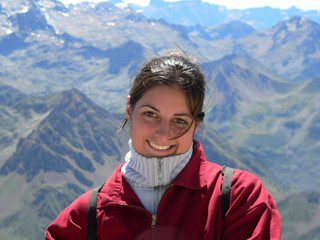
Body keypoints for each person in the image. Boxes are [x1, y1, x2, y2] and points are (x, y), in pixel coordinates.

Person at [45, 53, 281, 240]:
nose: (163, 134)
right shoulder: (83, 218)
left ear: (196, 124)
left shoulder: (240, 197)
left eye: (180, 121)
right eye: (150, 114)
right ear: (129, 109)